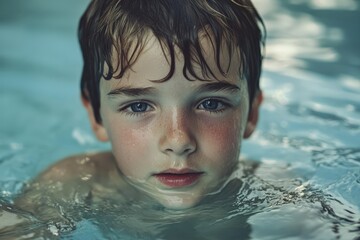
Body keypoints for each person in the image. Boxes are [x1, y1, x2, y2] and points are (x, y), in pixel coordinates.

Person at [16, 0, 264, 217]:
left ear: (251, 114)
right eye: (138, 106)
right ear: (96, 116)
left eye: (211, 104)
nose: (178, 141)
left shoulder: (276, 193)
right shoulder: (73, 185)